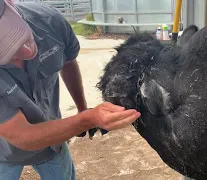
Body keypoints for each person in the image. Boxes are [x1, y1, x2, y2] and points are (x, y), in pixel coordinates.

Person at [0, 0, 141, 179]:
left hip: (53, 140)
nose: (26, 53)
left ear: (10, 3)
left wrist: (81, 107)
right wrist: (88, 119)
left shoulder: (50, 21)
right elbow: (23, 135)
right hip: (3, 152)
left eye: (17, 36)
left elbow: (68, 62)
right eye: (5, 52)